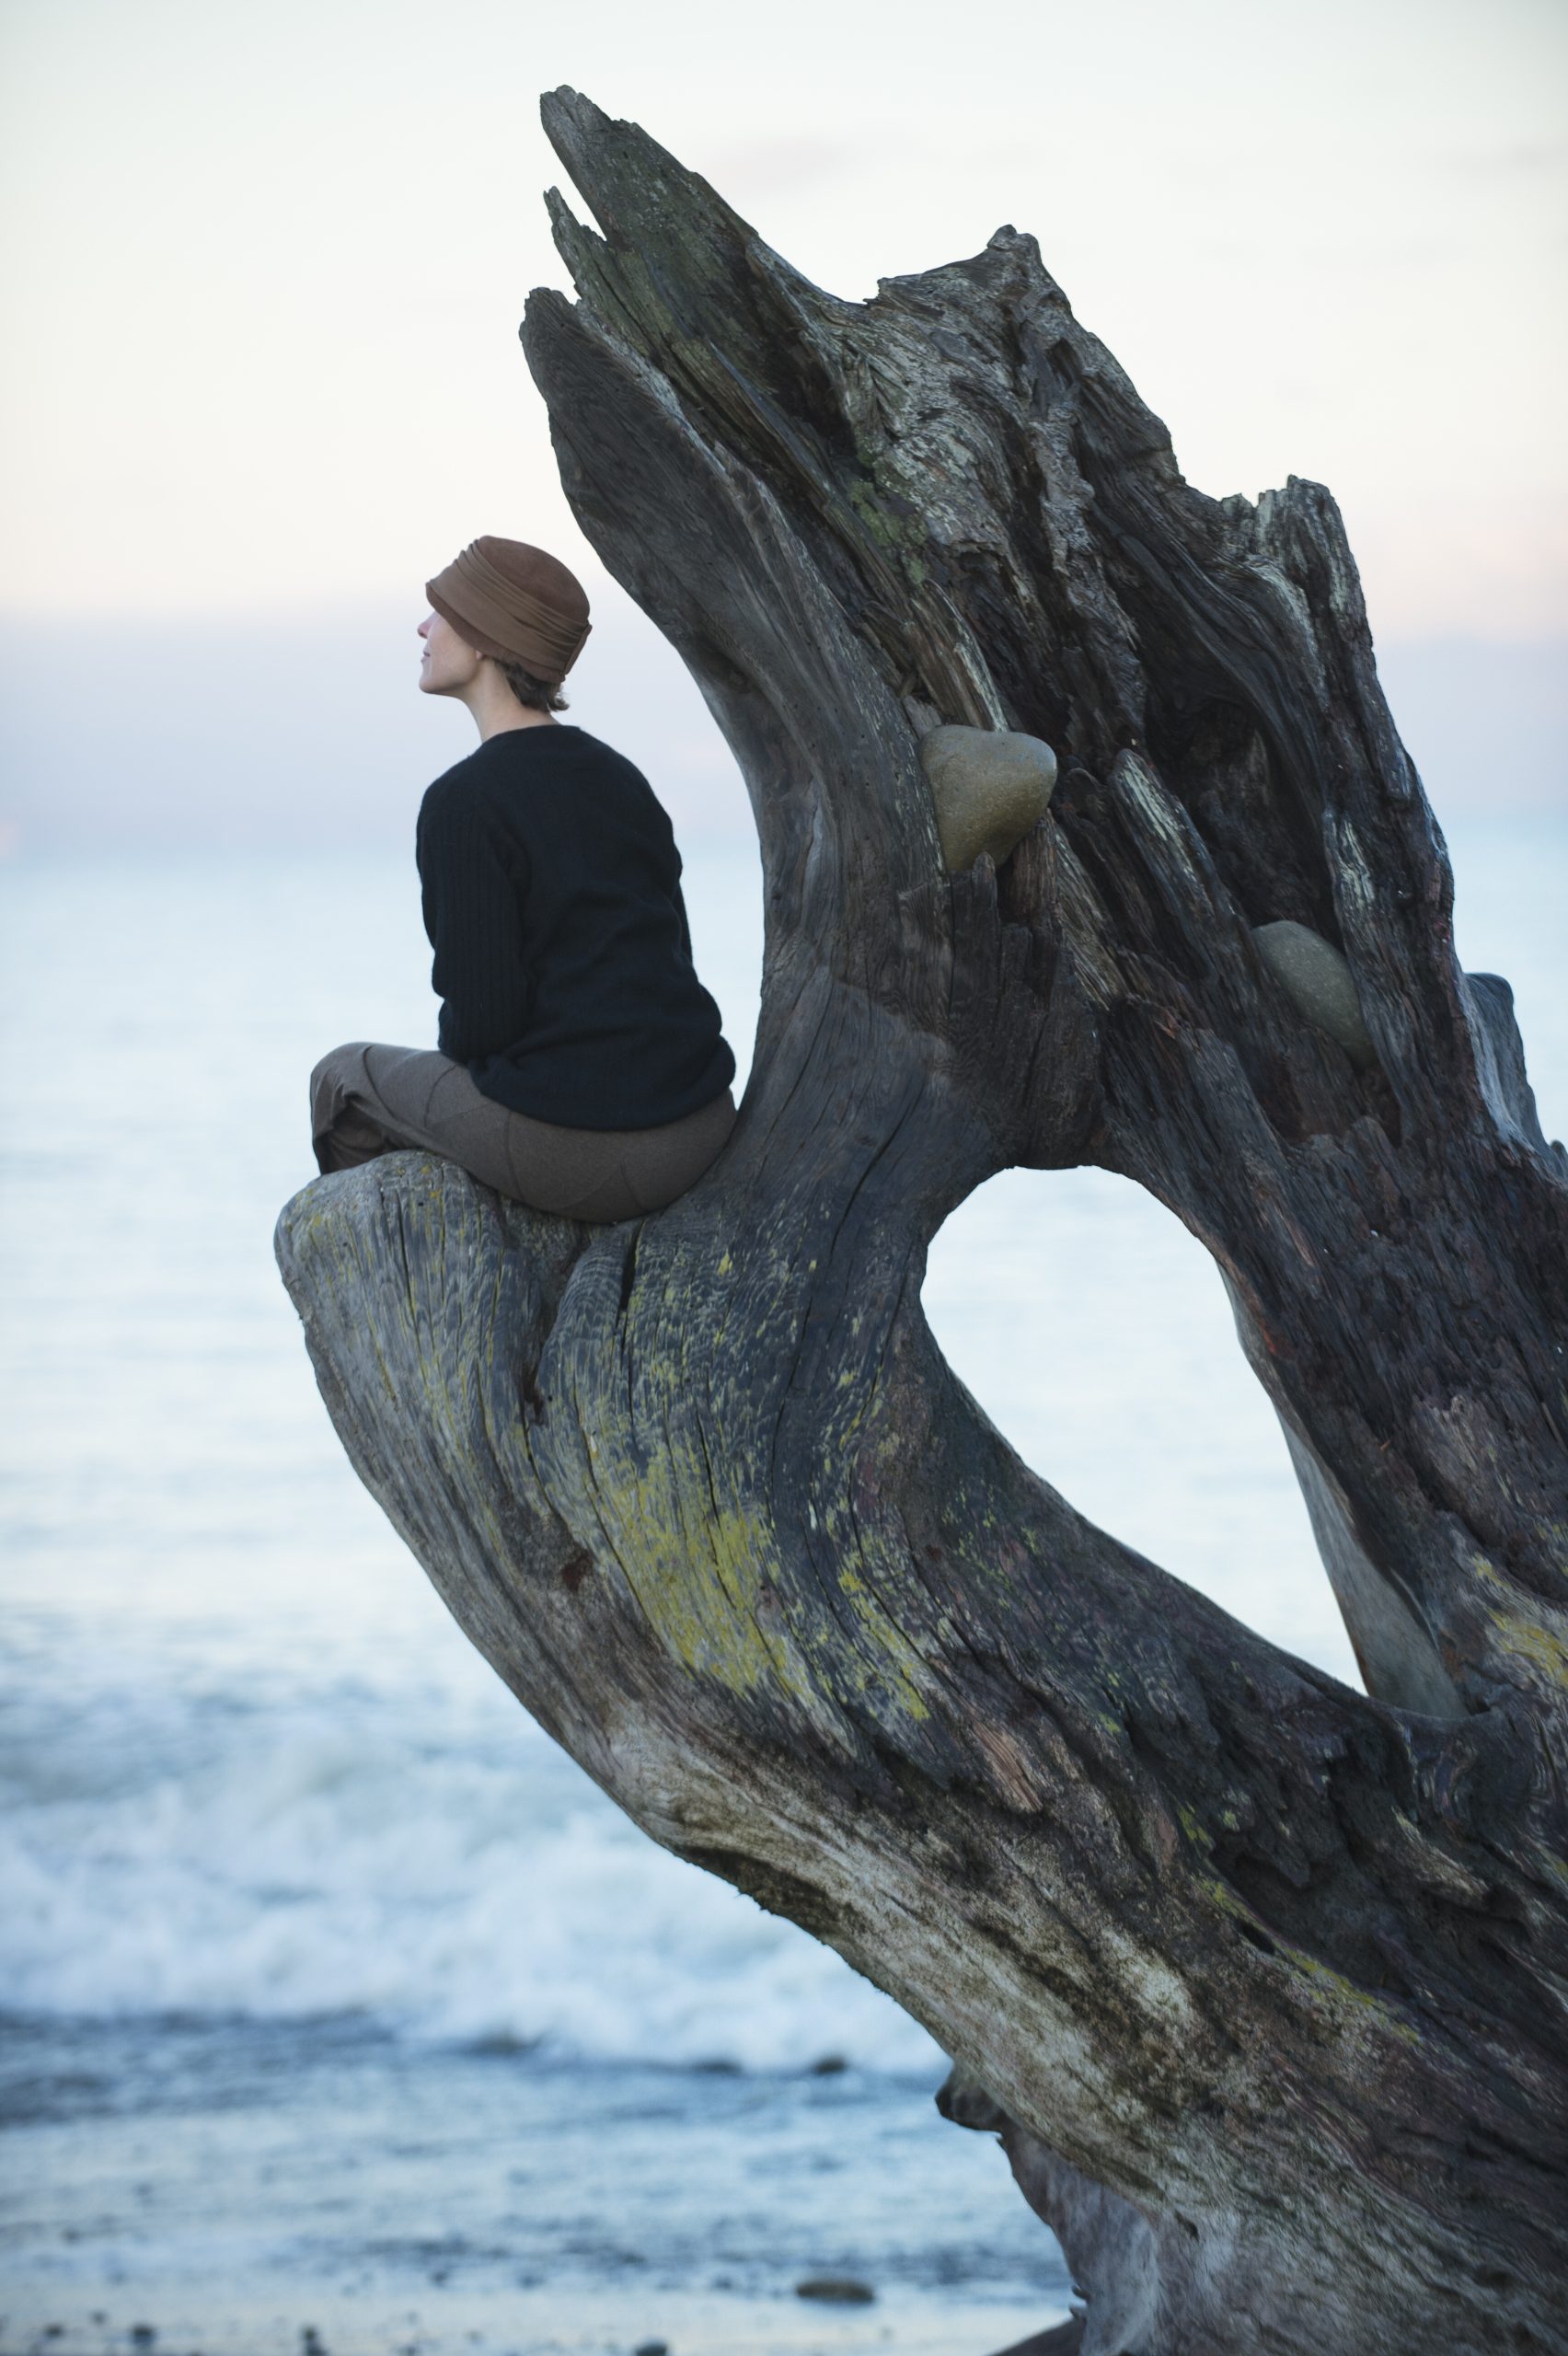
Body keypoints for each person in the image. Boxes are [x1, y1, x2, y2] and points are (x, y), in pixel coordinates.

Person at [309, 537, 737, 1221]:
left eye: (440, 612)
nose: (423, 629)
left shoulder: (464, 803)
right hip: (700, 1123)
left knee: (342, 1080)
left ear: (484, 638)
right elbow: (669, 957)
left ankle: (448, 1306)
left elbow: (480, 1023)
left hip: (599, 1154)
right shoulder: (620, 778)